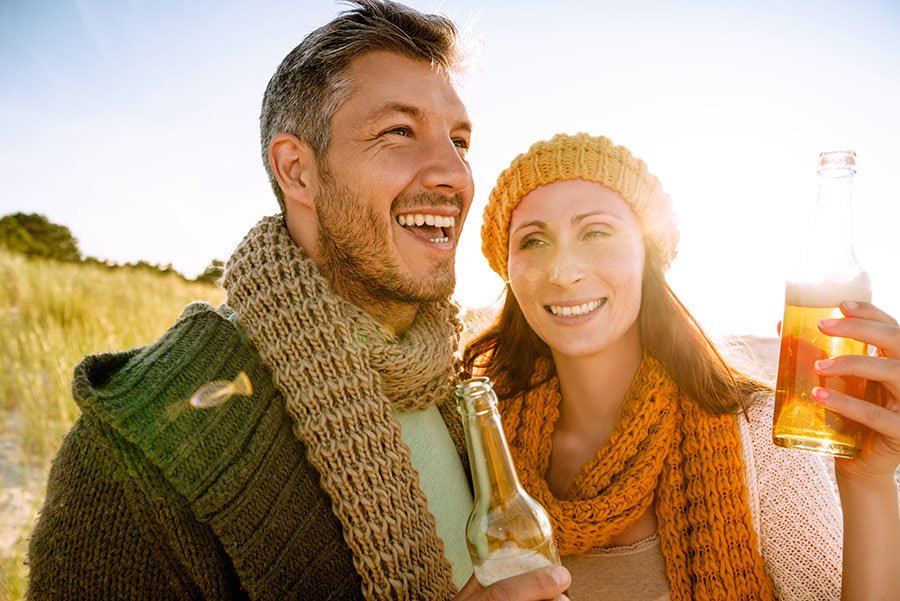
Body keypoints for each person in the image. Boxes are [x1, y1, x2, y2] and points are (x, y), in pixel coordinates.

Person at [26, 2, 572, 600]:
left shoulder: (455, 378)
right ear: (297, 171)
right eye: (399, 132)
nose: (455, 174)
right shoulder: (141, 451)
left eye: (460, 141)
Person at [464, 132, 900, 600]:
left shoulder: (757, 436)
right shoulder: (481, 442)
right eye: (533, 241)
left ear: (647, 255)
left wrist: (868, 482)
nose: (563, 271)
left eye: (596, 232)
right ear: (508, 269)